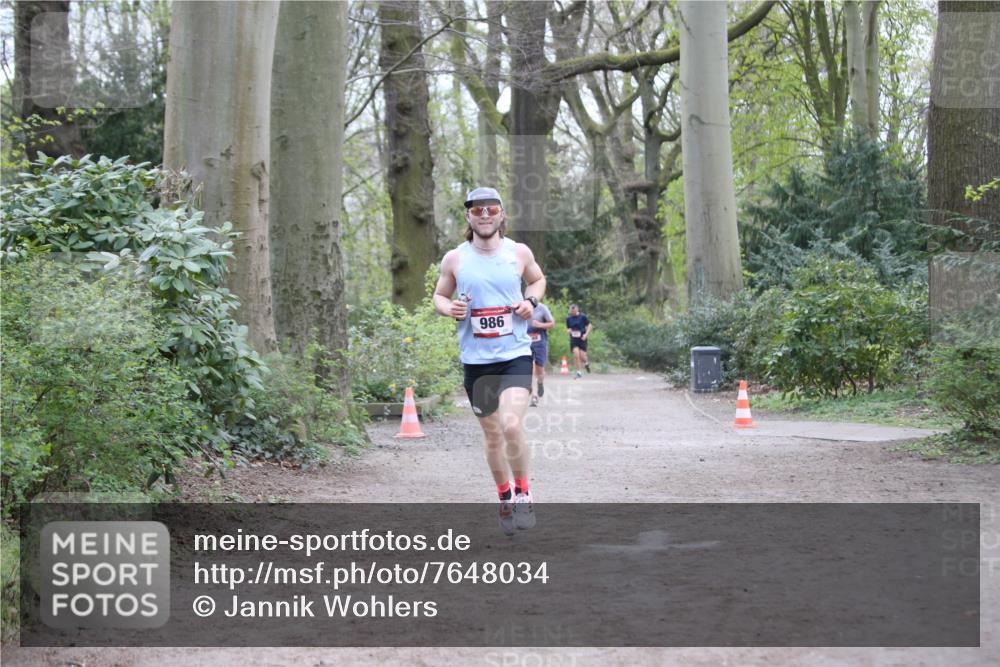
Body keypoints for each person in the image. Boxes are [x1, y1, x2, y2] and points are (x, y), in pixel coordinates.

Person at [433, 186, 546, 535]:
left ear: (502, 214)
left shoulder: (518, 252)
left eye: (491, 209)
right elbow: (439, 295)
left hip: (514, 354)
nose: (484, 215)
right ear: (468, 216)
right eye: (477, 209)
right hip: (476, 362)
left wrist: (530, 301)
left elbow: (538, 280)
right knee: (494, 435)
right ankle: (504, 496)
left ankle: (524, 494)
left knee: (511, 425)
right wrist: (448, 308)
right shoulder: (455, 259)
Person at [527, 301, 555, 407]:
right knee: (530, 368)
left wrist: (540, 325)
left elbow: (552, 324)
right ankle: (534, 397)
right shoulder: (521, 306)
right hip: (525, 341)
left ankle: (540, 382)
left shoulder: (542, 308)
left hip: (540, 341)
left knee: (540, 370)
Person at [566, 303, 592, 379]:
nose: (572, 312)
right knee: (576, 355)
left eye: (574, 311)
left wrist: (586, 335)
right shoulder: (568, 318)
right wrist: (568, 331)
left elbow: (590, 325)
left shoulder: (583, 316)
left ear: (577, 310)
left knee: (582, 356)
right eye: (571, 311)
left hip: (582, 338)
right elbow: (568, 328)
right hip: (574, 339)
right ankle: (578, 372)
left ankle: (586, 363)